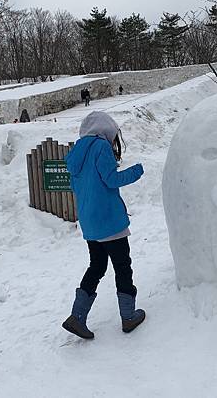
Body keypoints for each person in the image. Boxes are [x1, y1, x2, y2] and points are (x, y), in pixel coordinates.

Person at [62, 111, 145, 340]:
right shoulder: (101, 147)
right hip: (108, 220)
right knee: (122, 265)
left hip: (89, 221)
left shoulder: (77, 151)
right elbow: (112, 180)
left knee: (97, 266)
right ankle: (128, 316)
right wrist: (136, 171)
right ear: (105, 129)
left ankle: (77, 317)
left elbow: (80, 187)